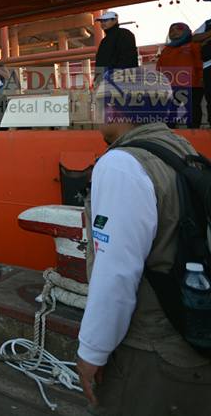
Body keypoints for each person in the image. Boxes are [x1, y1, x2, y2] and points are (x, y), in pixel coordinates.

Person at [76, 69, 211, 413]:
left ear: (115, 110)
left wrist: (92, 350)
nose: (92, 114)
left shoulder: (122, 163)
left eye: (96, 104)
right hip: (189, 333)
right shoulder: (181, 149)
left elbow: (116, 271)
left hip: (151, 350)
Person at [156, 22, 204, 129]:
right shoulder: (166, 50)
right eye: (171, 30)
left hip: (192, 84)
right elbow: (159, 67)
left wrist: (201, 77)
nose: (174, 32)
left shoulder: (194, 45)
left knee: (192, 109)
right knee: (170, 110)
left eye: (179, 29)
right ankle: (170, 131)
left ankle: (194, 132)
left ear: (187, 31)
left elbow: (200, 62)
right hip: (171, 86)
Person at [94, 11, 139, 75]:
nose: (102, 23)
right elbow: (100, 63)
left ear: (115, 20)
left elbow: (127, 58)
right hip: (113, 79)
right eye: (101, 21)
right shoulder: (104, 40)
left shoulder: (124, 34)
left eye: (106, 20)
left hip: (120, 78)